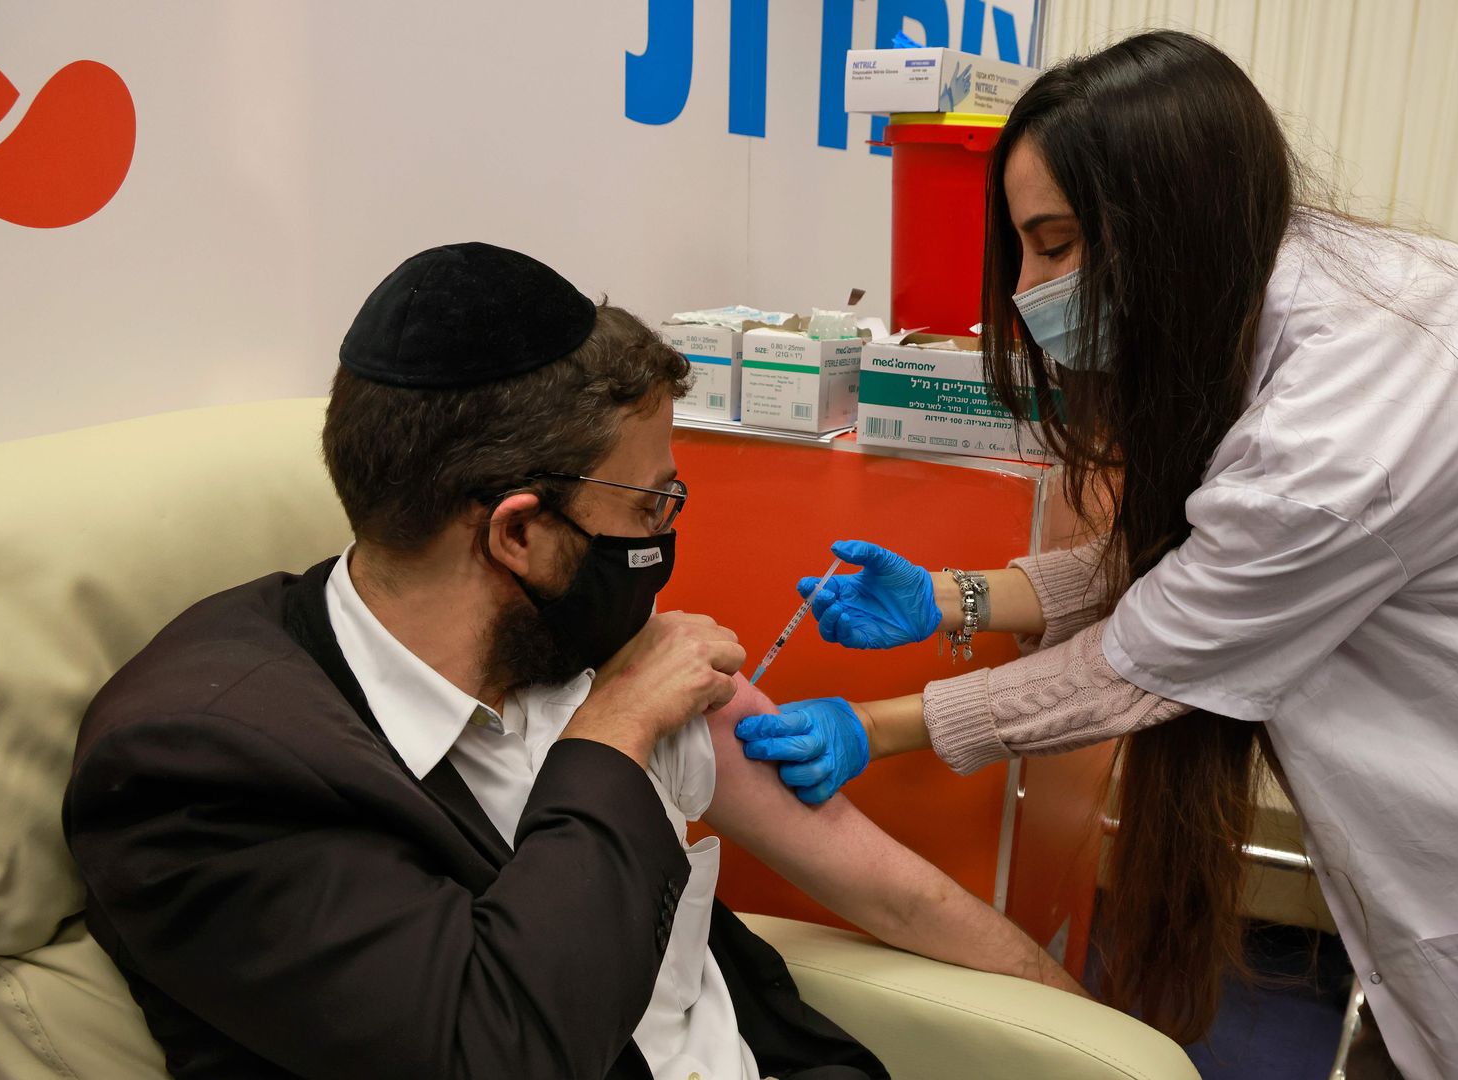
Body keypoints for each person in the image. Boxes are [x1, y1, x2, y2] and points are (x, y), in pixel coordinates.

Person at [734, 30, 1458, 1080]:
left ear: (1171, 222)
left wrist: (875, 728)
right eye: (1024, 244)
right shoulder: (1286, 293)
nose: (1027, 290)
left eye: (1057, 246)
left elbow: (1151, 651)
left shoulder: (1358, 404)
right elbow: (1202, 564)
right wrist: (951, 596)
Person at [64, 242, 1080, 1080]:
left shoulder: (571, 636)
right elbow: (497, 1051)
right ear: (518, 534)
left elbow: (889, 888)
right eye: (649, 506)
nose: (666, 534)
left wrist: (1089, 1030)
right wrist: (613, 737)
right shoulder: (199, 770)